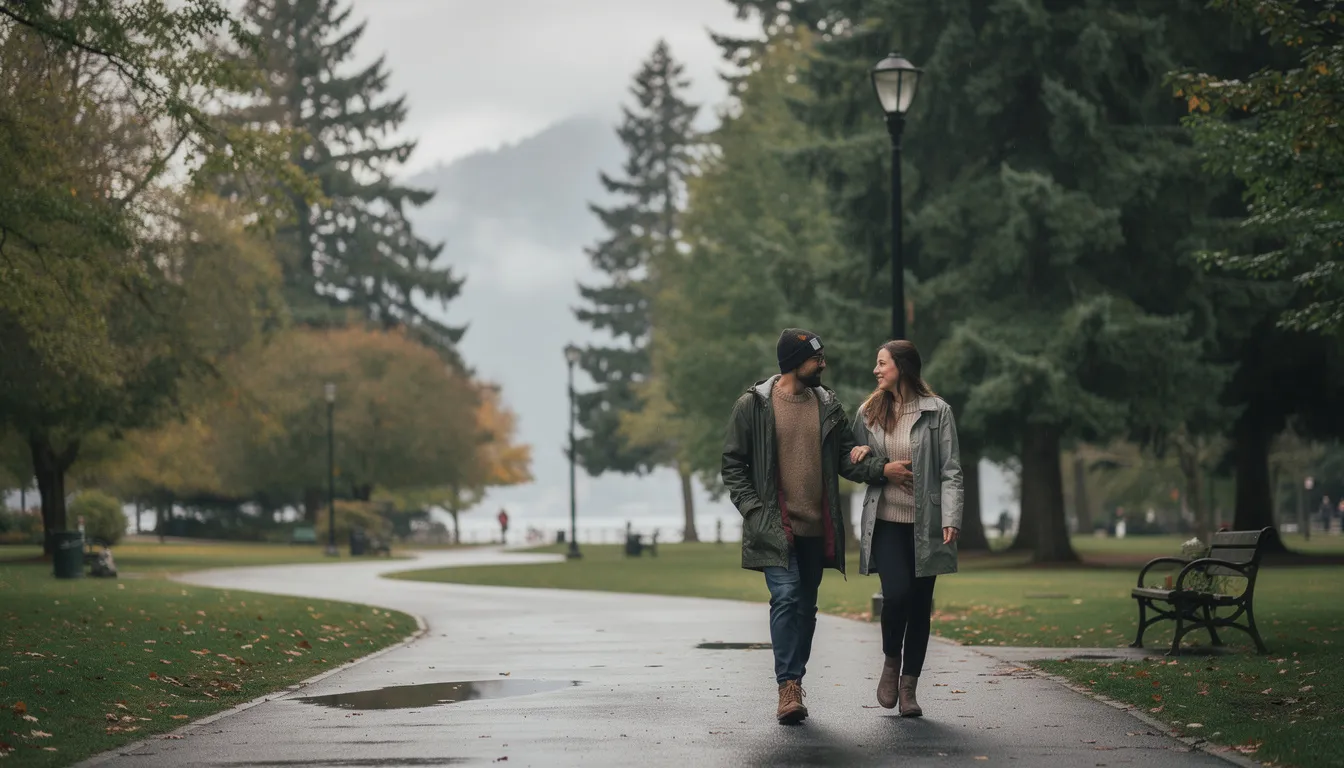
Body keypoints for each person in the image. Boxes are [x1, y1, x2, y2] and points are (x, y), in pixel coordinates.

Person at [722, 328, 901, 725]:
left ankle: (795, 679)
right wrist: (753, 510)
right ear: (792, 362)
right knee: (785, 598)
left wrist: (881, 469)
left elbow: (846, 458)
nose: (822, 364)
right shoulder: (753, 405)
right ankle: (788, 687)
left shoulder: (827, 404)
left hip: (816, 527)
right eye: (815, 358)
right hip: (774, 527)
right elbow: (733, 464)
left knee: (805, 608)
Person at [848, 339, 962, 717]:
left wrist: (951, 517)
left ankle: (909, 688)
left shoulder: (937, 412)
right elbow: (851, 458)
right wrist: (863, 456)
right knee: (896, 596)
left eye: (882, 363)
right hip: (885, 522)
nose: (876, 370)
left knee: (919, 606)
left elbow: (951, 471)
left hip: (926, 525)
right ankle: (890, 662)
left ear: (903, 367)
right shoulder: (868, 411)